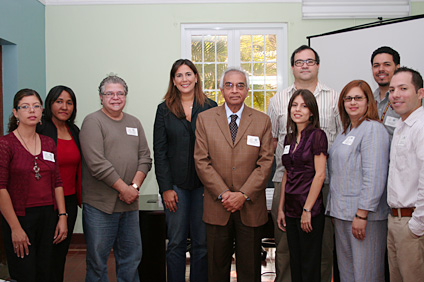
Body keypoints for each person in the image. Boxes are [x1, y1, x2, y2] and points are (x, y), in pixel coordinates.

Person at [267, 45, 340, 282]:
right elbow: (273, 140)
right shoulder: (278, 99)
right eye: (299, 62)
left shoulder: (334, 96)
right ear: (292, 67)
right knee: (286, 246)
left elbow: (340, 137)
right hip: (285, 183)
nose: (305, 65)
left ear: (317, 65)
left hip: (323, 183)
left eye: (310, 61)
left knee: (322, 246)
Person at [194, 67, 273, 282]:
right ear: (221, 90)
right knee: (216, 270)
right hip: (217, 206)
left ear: (247, 90)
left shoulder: (262, 120)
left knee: (250, 270)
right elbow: (201, 161)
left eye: (240, 85)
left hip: (250, 206)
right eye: (229, 85)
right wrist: (224, 193)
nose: (234, 90)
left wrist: (243, 194)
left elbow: (265, 163)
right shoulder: (205, 119)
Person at [80, 75, 152, 282]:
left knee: (131, 259)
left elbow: (145, 158)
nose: (115, 97)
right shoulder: (93, 121)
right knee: (97, 262)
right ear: (101, 97)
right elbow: (97, 164)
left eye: (120, 93)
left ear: (126, 96)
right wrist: (125, 189)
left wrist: (134, 187)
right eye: (109, 93)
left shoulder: (134, 122)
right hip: (100, 206)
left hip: (129, 205)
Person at [153, 59, 217, 282]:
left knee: (202, 243)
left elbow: (217, 149)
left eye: (188, 74)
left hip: (204, 186)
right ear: (173, 80)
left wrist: (215, 186)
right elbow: (159, 152)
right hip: (176, 186)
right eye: (179, 75)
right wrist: (166, 189)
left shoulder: (210, 107)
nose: (184, 79)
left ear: (196, 77)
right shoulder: (163, 110)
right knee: (177, 242)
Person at [0, 89, 68, 282]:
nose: (32, 111)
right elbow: (1, 188)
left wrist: (62, 216)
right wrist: (15, 227)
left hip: (48, 216)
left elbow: (57, 181)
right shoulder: (6, 144)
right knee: (25, 273)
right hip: (20, 218)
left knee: (46, 272)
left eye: (36, 106)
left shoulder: (48, 143)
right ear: (15, 113)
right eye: (25, 106)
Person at [326, 80, 390, 282]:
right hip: (342, 214)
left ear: (368, 101)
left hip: (364, 217)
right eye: (348, 98)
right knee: (347, 274)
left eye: (358, 98)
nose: (352, 102)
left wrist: (362, 214)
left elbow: (374, 175)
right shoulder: (345, 132)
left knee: (366, 274)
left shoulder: (373, 129)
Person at [277, 89, 327, 282]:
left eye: (304, 106)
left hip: (309, 210)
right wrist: (281, 208)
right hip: (290, 210)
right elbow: (286, 174)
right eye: (295, 105)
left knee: (309, 265)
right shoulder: (288, 138)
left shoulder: (317, 136)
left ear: (312, 112)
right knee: (295, 262)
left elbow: (320, 175)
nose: (298, 110)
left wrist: (307, 209)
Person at [37, 85, 82, 282]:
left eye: (69, 102)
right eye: (59, 101)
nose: (64, 107)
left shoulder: (74, 130)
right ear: (50, 104)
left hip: (70, 201)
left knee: (60, 254)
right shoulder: (40, 129)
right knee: (44, 254)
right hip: (45, 202)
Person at [387, 67, 424, 281]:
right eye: (392, 90)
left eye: (403, 88)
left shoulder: (420, 127)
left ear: (420, 93)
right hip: (396, 220)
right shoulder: (402, 126)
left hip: (412, 222)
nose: (396, 95)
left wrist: (417, 224)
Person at [371, 46, 401, 137]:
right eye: (376, 65)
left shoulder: (407, 99)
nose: (381, 69)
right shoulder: (369, 100)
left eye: (387, 64)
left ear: (397, 68)